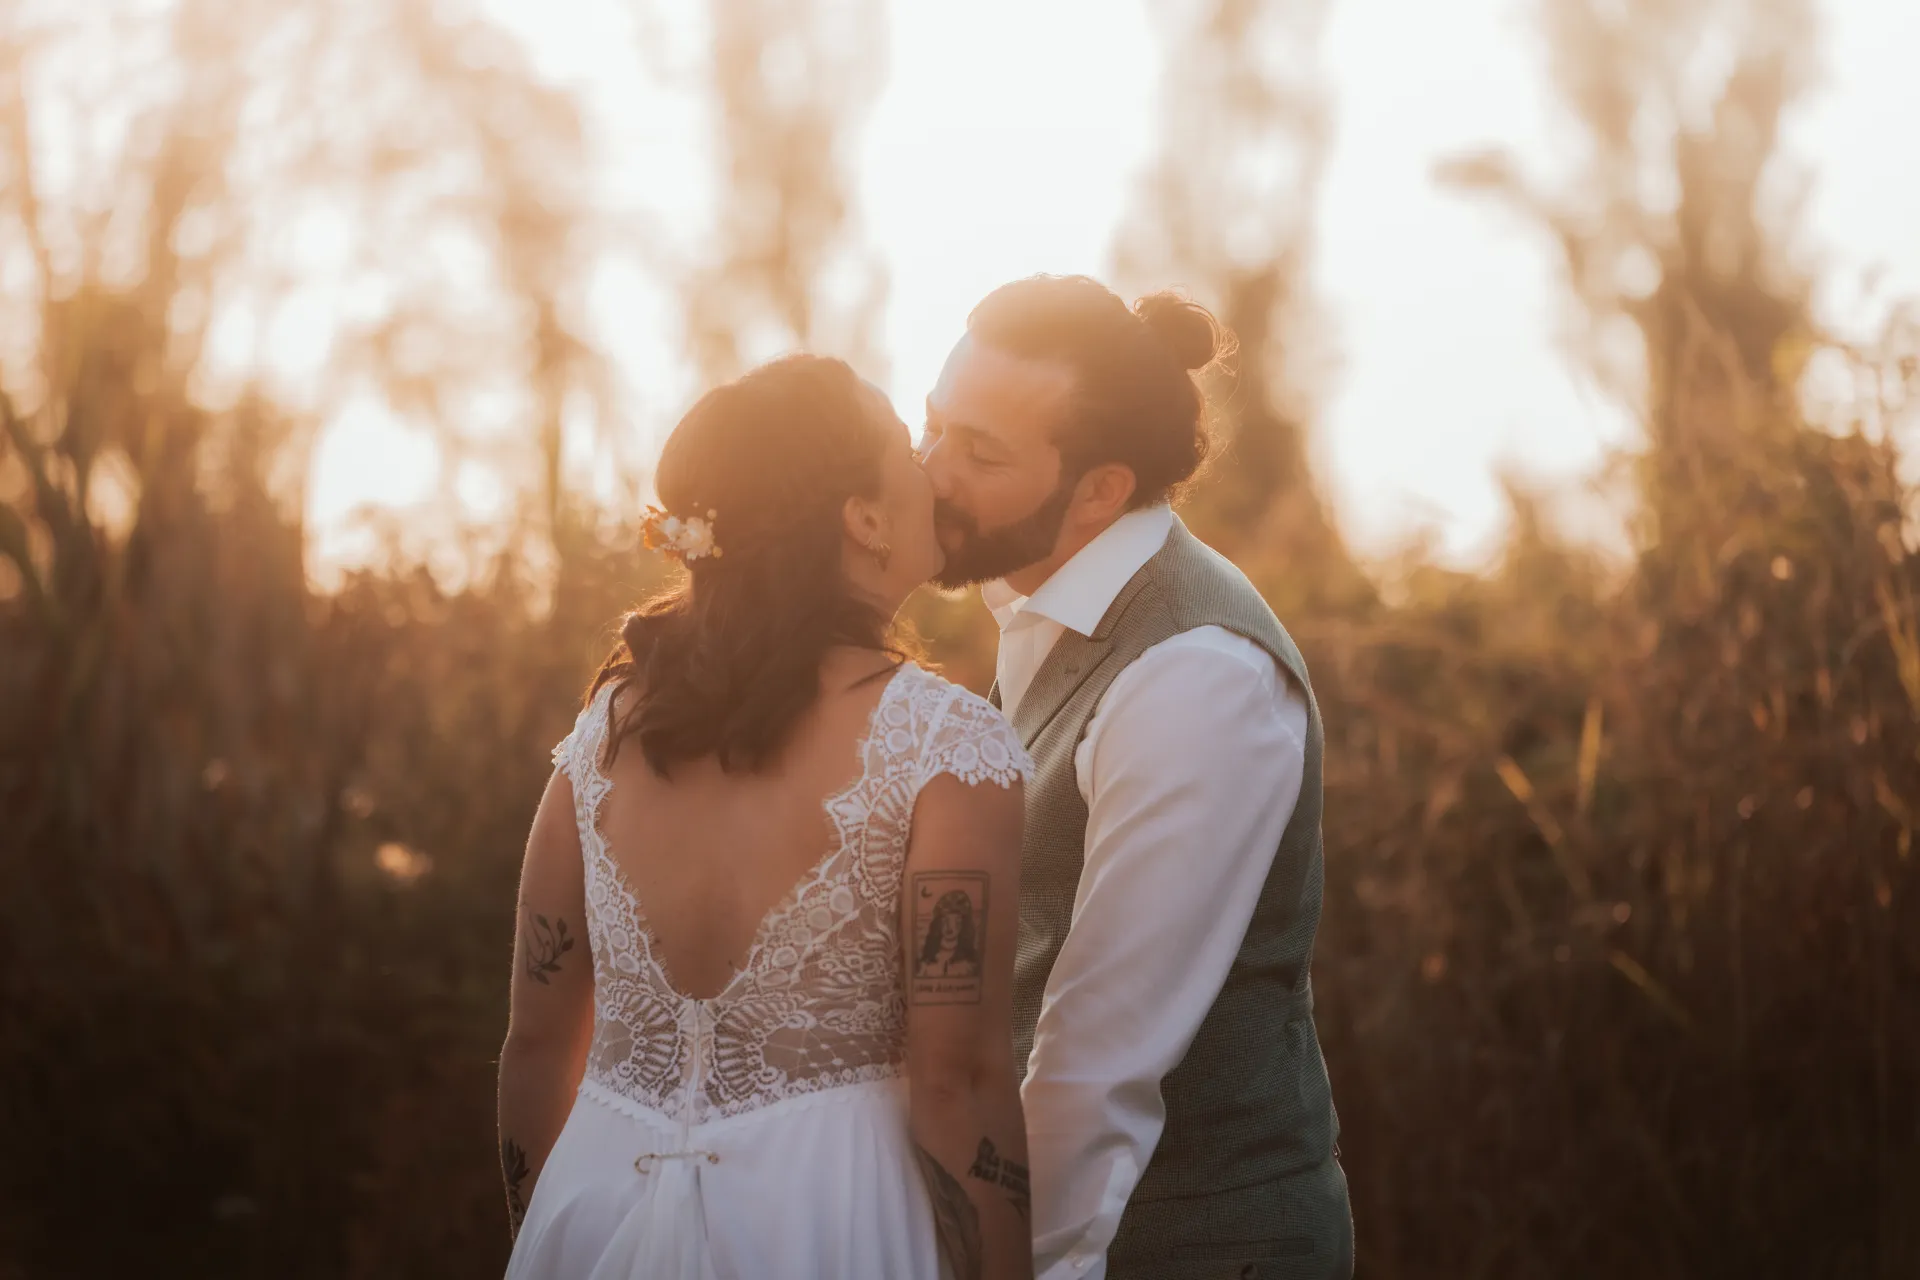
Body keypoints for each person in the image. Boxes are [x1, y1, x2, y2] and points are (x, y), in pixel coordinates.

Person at [497, 355, 1035, 1280]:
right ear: (864, 519)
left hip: (593, 1213)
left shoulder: (605, 735)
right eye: (905, 447)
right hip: (829, 1216)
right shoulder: (946, 745)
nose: (930, 470)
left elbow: (538, 1045)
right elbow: (960, 1081)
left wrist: (542, 1232)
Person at [919, 275, 1353, 1280]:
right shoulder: (1045, 608)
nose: (930, 471)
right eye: (931, 426)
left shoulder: (1195, 674)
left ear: (1099, 491)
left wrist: (1000, 1263)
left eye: (980, 452)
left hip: (1190, 1243)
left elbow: (1097, 1061)